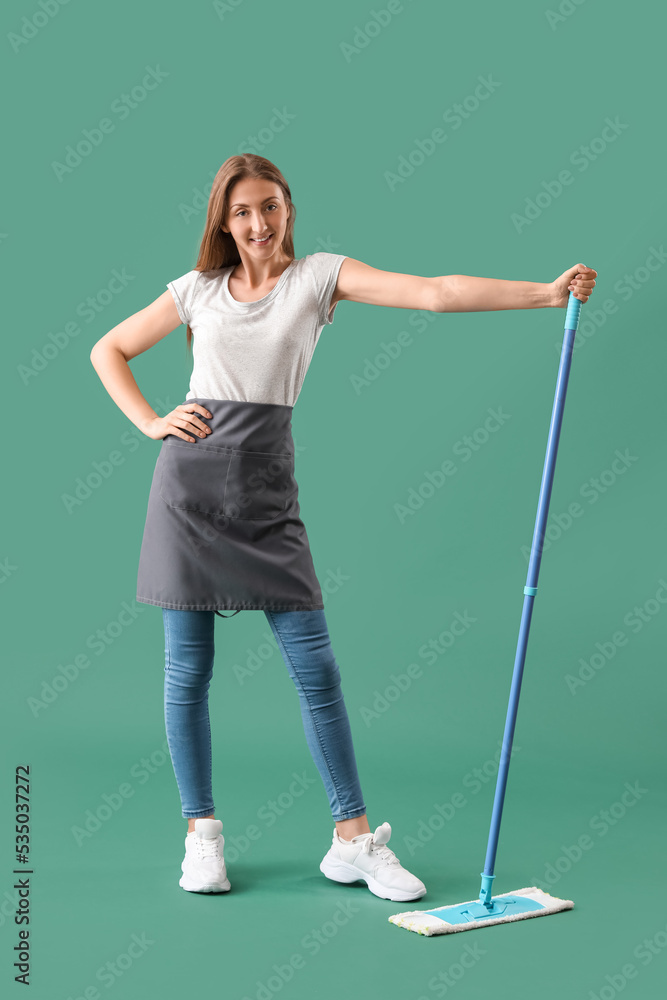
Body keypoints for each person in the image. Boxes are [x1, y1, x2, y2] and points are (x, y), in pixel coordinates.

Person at [89, 153, 597, 902]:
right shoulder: (194, 290)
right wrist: (151, 422)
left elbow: (432, 294)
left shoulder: (319, 277)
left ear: (287, 207)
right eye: (241, 213)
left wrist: (543, 295)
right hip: (187, 494)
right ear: (222, 223)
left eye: (268, 206)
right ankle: (202, 836)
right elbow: (109, 348)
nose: (257, 224)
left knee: (316, 672)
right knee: (186, 675)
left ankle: (351, 842)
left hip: (266, 491)